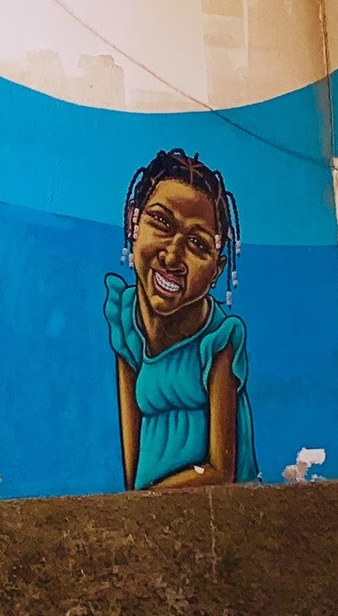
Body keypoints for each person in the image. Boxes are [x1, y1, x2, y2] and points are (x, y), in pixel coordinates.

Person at [107, 148, 255, 490]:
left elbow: (221, 470)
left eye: (197, 244)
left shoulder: (219, 340)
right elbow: (132, 455)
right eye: (160, 223)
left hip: (216, 516)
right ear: (133, 223)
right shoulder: (127, 322)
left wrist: (149, 502)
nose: (172, 255)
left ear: (216, 270)